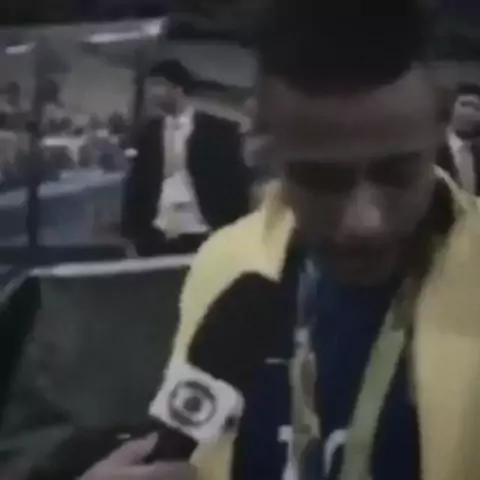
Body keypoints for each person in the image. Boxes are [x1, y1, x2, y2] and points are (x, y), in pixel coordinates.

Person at [24, 1, 480, 479]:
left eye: (397, 174)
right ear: (266, 143)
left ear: (440, 128)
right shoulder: (226, 264)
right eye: (321, 180)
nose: (363, 222)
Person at [121, 59, 251, 257]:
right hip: (158, 232)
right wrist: (131, 229)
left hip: (204, 229)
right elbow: (138, 182)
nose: (151, 94)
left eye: (157, 86)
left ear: (177, 88)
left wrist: (236, 229)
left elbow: (233, 181)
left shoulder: (217, 131)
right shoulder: (149, 132)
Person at [437, 83, 480, 195]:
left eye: (477, 108)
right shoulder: (431, 148)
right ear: (450, 107)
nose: (470, 113)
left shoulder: (477, 152)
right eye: (465, 105)